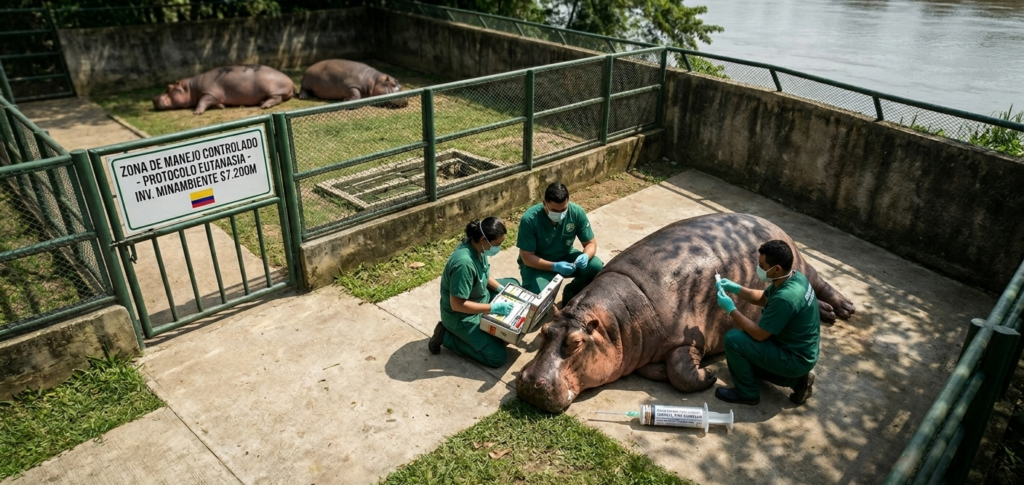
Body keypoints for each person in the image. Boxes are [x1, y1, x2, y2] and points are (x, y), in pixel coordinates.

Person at [713, 240, 818, 406]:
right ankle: (799, 381)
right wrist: (736, 288)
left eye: (762, 266)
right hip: (801, 351)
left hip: (794, 357)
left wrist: (731, 309)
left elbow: (760, 335)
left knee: (734, 340)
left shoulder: (785, 299)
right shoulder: (794, 278)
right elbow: (763, 298)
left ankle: (747, 393)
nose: (758, 268)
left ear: (776, 268)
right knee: (746, 355)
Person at [428, 217, 520, 368]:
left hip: (479, 297)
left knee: (513, 286)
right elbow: (457, 305)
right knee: (497, 356)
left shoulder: (479, 247)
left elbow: (484, 272)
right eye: (497, 245)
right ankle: (447, 336)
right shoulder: (463, 264)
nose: (499, 248)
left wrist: (501, 290)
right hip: (462, 317)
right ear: (484, 239)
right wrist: (493, 308)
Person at [516, 182, 602, 305]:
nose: (560, 214)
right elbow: (527, 257)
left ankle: (572, 292)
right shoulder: (530, 219)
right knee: (539, 300)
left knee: (595, 266)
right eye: (555, 210)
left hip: (566, 257)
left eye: (564, 209)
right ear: (544, 203)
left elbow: (590, 243)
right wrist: (554, 266)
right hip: (537, 264)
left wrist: (586, 256)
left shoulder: (576, 212)